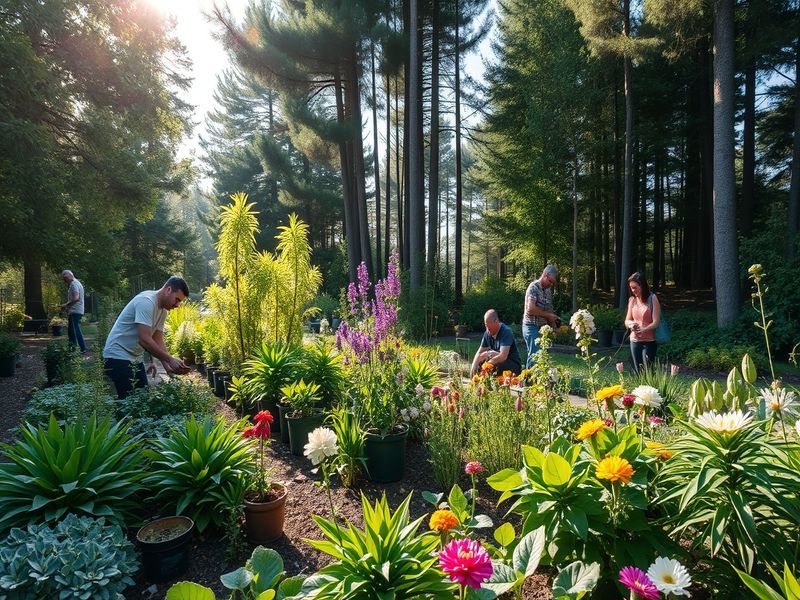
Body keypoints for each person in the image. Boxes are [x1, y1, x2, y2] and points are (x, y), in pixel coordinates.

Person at [102, 276, 191, 399]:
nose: (177, 305)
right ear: (168, 290)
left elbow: (157, 338)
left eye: (179, 302)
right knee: (130, 403)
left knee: (143, 399)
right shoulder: (146, 301)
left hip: (133, 358)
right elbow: (144, 339)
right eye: (177, 300)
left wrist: (167, 366)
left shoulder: (163, 311)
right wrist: (170, 359)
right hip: (117, 356)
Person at [521, 264, 560, 369]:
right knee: (535, 354)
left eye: (553, 283)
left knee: (544, 355)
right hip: (530, 326)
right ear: (545, 275)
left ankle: (542, 382)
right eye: (550, 281)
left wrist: (554, 325)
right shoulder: (533, 287)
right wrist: (548, 315)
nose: (551, 284)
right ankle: (529, 381)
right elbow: (531, 308)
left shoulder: (548, 291)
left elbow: (549, 309)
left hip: (542, 328)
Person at [624, 271, 661, 373]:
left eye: (635, 287)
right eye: (631, 287)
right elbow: (627, 320)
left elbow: (656, 322)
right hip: (634, 340)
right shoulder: (632, 300)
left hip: (649, 341)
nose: (633, 290)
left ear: (642, 285)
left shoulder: (652, 299)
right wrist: (631, 324)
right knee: (637, 372)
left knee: (649, 372)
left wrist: (643, 329)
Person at [470, 309, 522, 376]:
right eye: (486, 327)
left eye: (489, 328)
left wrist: (487, 364)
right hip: (497, 361)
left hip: (512, 364)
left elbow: (503, 356)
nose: (487, 331)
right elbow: (480, 353)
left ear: (496, 321)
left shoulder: (506, 332)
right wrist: (474, 365)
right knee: (480, 363)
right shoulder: (487, 333)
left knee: (495, 366)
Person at [60, 270, 87, 353]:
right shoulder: (76, 283)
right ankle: (76, 348)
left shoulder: (74, 284)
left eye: (65, 279)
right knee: (73, 329)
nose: (65, 281)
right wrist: (66, 306)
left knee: (73, 330)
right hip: (76, 310)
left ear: (67, 276)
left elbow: (76, 298)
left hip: (75, 310)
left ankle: (76, 349)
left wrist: (66, 305)